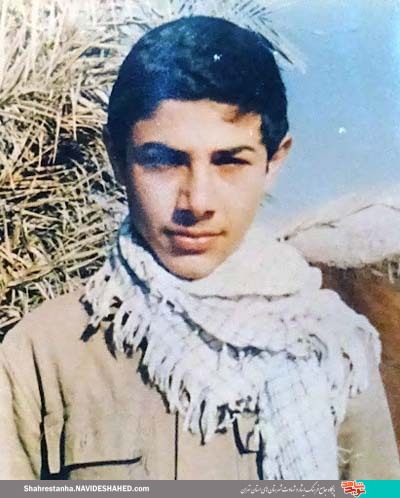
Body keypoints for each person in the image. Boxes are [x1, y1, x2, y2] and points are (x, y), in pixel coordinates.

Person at [0, 16, 399, 480]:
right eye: (163, 161)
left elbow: (371, 490)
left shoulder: (333, 349)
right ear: (118, 160)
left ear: (274, 162)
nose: (197, 202)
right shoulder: (42, 353)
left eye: (229, 162)